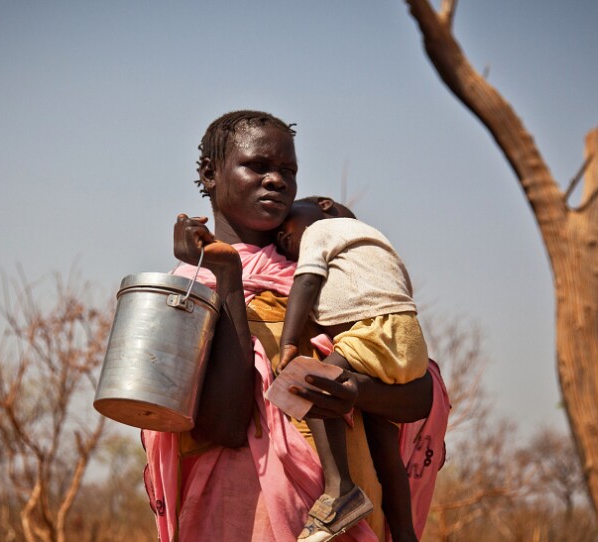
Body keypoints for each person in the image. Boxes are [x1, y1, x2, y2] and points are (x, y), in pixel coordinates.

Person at [141, 110, 450, 542]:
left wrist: (359, 392)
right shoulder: (190, 289)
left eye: (288, 170)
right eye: (258, 166)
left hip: (353, 523)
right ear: (210, 174)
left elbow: (415, 390)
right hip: (241, 521)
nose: (276, 180)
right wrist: (229, 276)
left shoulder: (333, 276)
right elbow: (225, 425)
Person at [275, 197, 428, 542]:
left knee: (310, 382)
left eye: (287, 229)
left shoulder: (322, 229)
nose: (283, 239)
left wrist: (287, 342)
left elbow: (307, 281)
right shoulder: (375, 244)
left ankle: (340, 489)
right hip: (407, 339)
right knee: (384, 446)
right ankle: (405, 533)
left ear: (324, 205)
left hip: (374, 329)